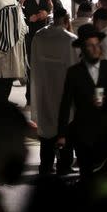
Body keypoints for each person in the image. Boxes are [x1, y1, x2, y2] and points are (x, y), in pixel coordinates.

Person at [57, 24, 107, 177]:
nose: (96, 49)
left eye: (97, 45)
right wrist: (62, 134)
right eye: (90, 46)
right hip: (84, 132)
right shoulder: (74, 72)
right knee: (86, 175)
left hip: (106, 131)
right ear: (82, 49)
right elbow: (65, 102)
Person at [30, 9, 77, 175]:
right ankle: (64, 164)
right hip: (64, 92)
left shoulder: (39, 37)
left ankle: (46, 165)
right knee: (66, 128)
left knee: (46, 133)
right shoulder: (71, 40)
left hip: (43, 90)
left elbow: (33, 66)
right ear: (66, 20)